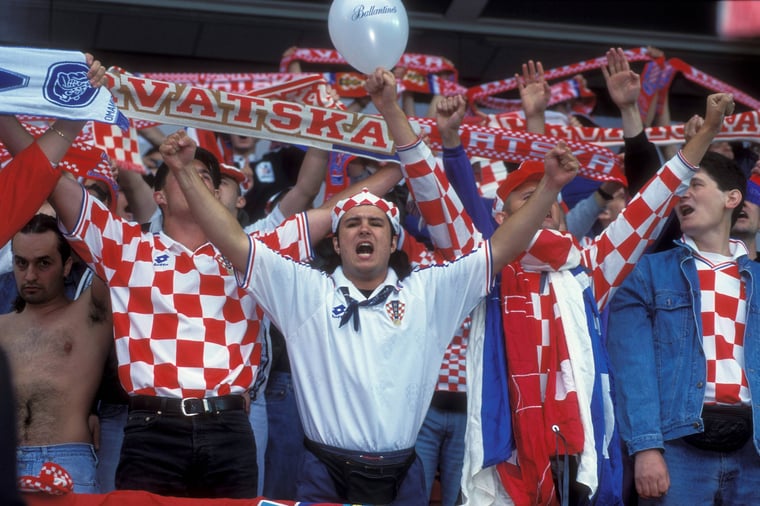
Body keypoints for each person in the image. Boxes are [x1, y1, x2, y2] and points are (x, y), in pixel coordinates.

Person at [159, 64, 579, 505]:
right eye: (352, 224)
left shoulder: (428, 292)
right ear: (336, 244)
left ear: (394, 239)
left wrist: (550, 187)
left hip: (403, 473)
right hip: (324, 470)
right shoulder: (305, 291)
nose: (365, 231)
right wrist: (186, 173)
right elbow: (234, 244)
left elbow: (501, 247)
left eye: (376, 224)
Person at [607, 94, 759, 506]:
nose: (681, 196)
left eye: (694, 185)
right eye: (679, 189)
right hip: (676, 450)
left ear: (732, 199)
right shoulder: (647, 274)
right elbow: (632, 366)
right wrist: (646, 447)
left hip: (754, 454)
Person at [0, 214, 112, 493]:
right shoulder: (2, 326)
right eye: (21, 263)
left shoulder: (89, 314)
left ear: (67, 266)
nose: (30, 275)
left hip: (67, 461)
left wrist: (59, 186)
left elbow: (113, 252)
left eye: (44, 263)